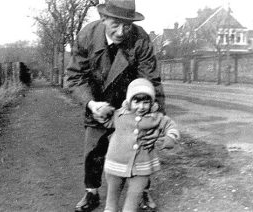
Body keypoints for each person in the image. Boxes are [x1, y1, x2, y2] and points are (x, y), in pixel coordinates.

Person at [66, 0, 165, 211]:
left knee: (141, 146)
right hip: (97, 100)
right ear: (103, 19)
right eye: (115, 25)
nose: (121, 32)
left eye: (127, 25)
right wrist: (92, 104)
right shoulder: (87, 36)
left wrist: (155, 119)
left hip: (132, 102)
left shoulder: (140, 38)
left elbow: (151, 81)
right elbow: (75, 77)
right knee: (93, 148)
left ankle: (142, 193)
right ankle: (91, 193)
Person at [100, 78, 180, 212]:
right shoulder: (120, 114)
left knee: (133, 198)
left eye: (146, 102)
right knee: (112, 199)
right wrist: (103, 112)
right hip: (115, 162)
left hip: (142, 166)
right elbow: (106, 122)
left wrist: (170, 137)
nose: (141, 107)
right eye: (136, 101)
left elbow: (171, 125)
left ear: (152, 102)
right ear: (129, 101)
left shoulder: (155, 117)